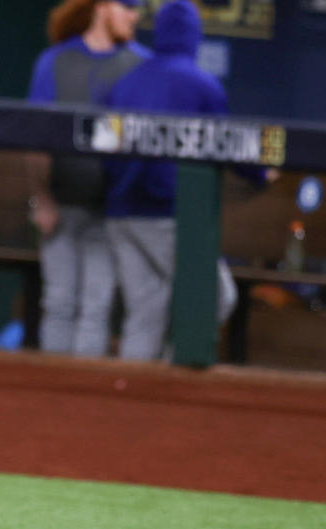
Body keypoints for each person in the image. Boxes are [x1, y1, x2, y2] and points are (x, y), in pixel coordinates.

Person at [103, 0, 272, 360]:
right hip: (164, 213)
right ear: (193, 35)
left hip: (118, 213)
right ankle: (172, 373)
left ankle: (128, 392)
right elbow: (229, 145)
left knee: (146, 310)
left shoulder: (128, 80)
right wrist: (261, 175)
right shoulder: (200, 83)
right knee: (217, 296)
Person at [25, 0, 146, 356]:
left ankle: (80, 402)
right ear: (102, 6)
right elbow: (34, 137)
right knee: (60, 302)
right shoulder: (56, 61)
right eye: (126, 5)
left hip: (111, 211)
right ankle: (53, 396)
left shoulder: (140, 63)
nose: (134, 14)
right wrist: (41, 199)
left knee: (96, 308)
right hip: (61, 204)